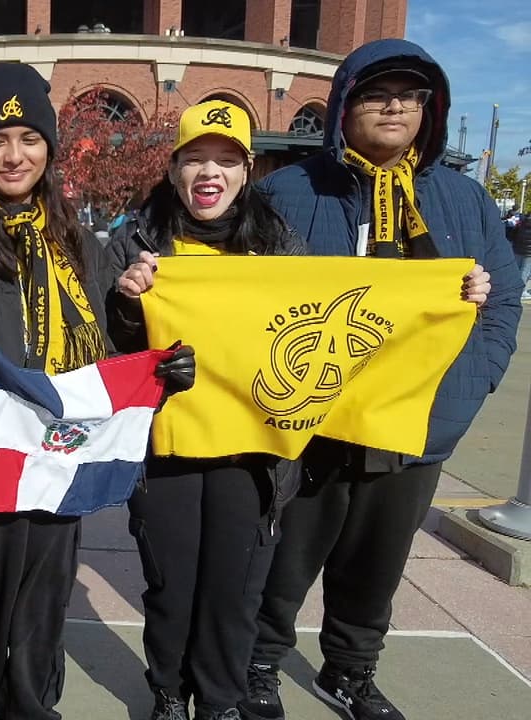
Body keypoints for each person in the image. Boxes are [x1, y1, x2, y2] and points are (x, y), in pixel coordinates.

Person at [239, 39, 520, 720]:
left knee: (377, 565)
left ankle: (350, 672)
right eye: (376, 92)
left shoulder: (465, 200)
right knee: (285, 561)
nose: (394, 105)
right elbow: (247, 301)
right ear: (343, 105)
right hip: (313, 422)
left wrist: (466, 389)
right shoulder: (287, 192)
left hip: (417, 419)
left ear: (430, 108)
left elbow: (502, 301)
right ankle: (259, 666)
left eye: (411, 94)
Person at [0, 61, 193, 720]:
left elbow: (108, 359)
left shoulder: (82, 247)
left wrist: (156, 369)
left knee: (38, 626)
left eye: (29, 138)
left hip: (56, 474)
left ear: (50, 148)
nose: (13, 156)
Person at [103, 100, 303, 720]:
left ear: (247, 171)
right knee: (171, 584)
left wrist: (454, 294)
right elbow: (104, 352)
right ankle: (168, 691)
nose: (208, 172)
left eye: (225, 160)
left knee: (234, 588)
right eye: (195, 159)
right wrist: (130, 308)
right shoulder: (132, 245)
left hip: (252, 453)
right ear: (173, 169)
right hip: (167, 450)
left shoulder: (282, 248)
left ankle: (219, 700)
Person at [507, 207, 531, 301]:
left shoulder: (523, 221)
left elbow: (514, 234)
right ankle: (520, 292)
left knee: (517, 270)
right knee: (525, 272)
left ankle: (513, 288)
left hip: (518, 249)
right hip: (529, 252)